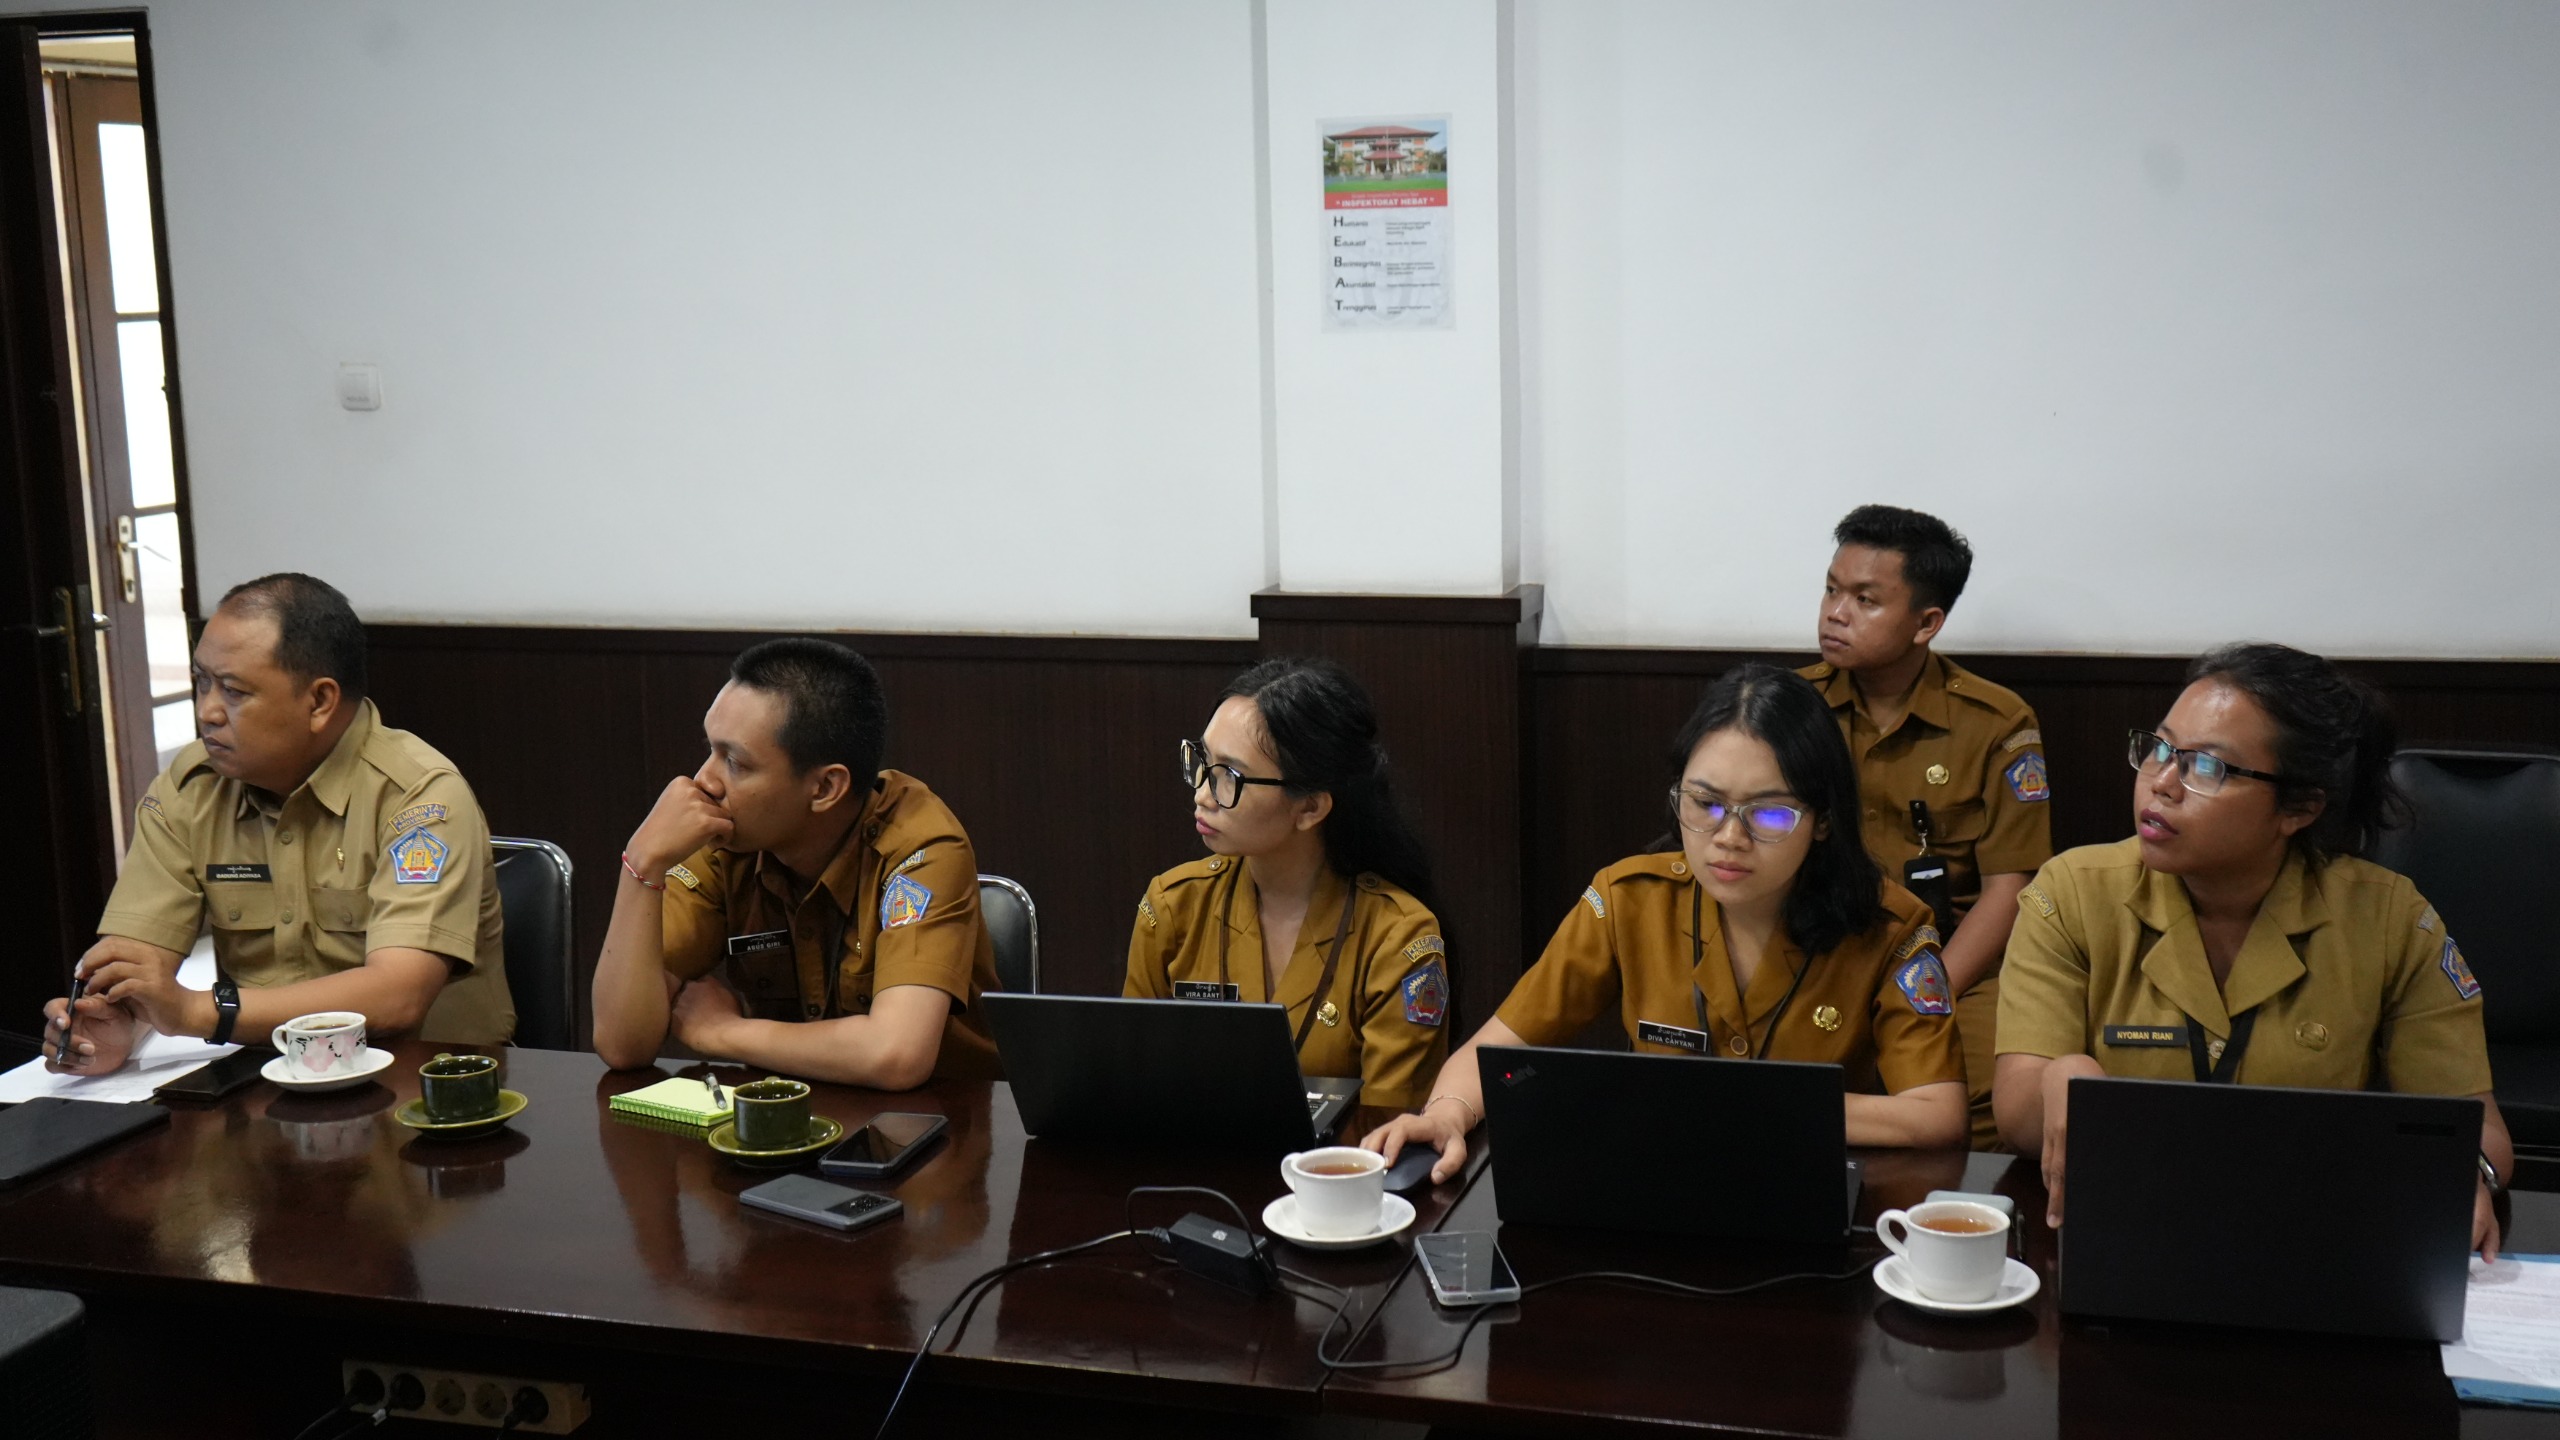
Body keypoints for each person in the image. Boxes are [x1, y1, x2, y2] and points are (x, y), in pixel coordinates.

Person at [1994, 643, 2509, 1256]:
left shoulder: (2389, 919)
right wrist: (2059, 1078)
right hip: (2126, 1232)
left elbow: (2477, 1127)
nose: (2162, 783)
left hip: (2309, 1237)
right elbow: (2015, 1112)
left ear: (2299, 807)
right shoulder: (2073, 893)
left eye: (2207, 768)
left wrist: (2468, 1174)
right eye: (2159, 749)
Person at [1367, 664, 1967, 1183]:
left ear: (1824, 821)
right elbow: (1496, 1046)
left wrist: (1745, 1108)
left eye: (1769, 814)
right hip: (1654, 1181)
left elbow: (1936, 1114)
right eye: (1705, 804)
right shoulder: (1629, 900)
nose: (1728, 838)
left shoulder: (1889, 927)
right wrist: (1446, 1113)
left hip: (1809, 1183)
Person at [43, 574, 512, 1070]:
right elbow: (136, 965)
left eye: (233, 691)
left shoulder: (419, 796)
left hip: (428, 1081)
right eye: (202, 682)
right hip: (266, 1079)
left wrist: (198, 1011)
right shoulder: (189, 791)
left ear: (320, 702)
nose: (207, 711)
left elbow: (399, 995)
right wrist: (117, 1021)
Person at [591, 638, 999, 1088]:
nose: (703, 781)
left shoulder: (920, 846)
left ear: (825, 788)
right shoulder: (724, 838)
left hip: (935, 1118)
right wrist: (642, 863)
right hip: (782, 1112)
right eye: (709, 749)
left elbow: (896, 1055)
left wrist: (724, 1033)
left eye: (735, 762)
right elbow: (622, 1045)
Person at [1800, 504, 2051, 1149]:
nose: (1835, 613)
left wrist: (1921, 991)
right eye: (1831, 589)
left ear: (1927, 622)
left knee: (1987, 1101)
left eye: (1865, 599)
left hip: (1950, 962)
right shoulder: (1792, 711)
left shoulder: (1996, 723)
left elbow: (2009, 889)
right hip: (1816, 953)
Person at [1125, 658, 1449, 1109]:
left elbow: (1388, 1128)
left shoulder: (1398, 936)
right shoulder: (1173, 907)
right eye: (1202, 760)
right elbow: (1133, 1081)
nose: (1201, 793)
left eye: (1228, 777)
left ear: (1310, 808)